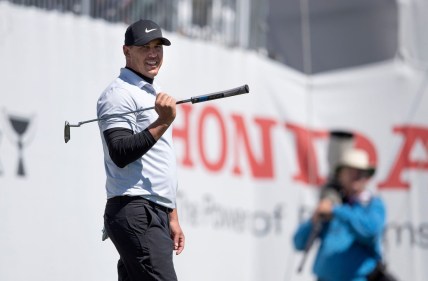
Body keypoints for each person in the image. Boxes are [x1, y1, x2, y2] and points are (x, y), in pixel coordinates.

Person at [97, 19, 185, 281]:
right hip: (135, 210)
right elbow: (120, 152)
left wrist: (172, 215)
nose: (153, 54)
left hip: (152, 211)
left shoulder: (151, 93)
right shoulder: (118, 94)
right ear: (127, 51)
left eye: (158, 46)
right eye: (145, 47)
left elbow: (159, 163)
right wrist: (164, 121)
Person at [293, 148, 387, 281]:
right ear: (340, 175)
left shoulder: (373, 205)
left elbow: (370, 231)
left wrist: (336, 211)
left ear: (366, 177)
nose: (355, 176)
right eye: (350, 171)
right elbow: (299, 242)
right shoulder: (333, 204)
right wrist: (314, 219)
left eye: (360, 172)